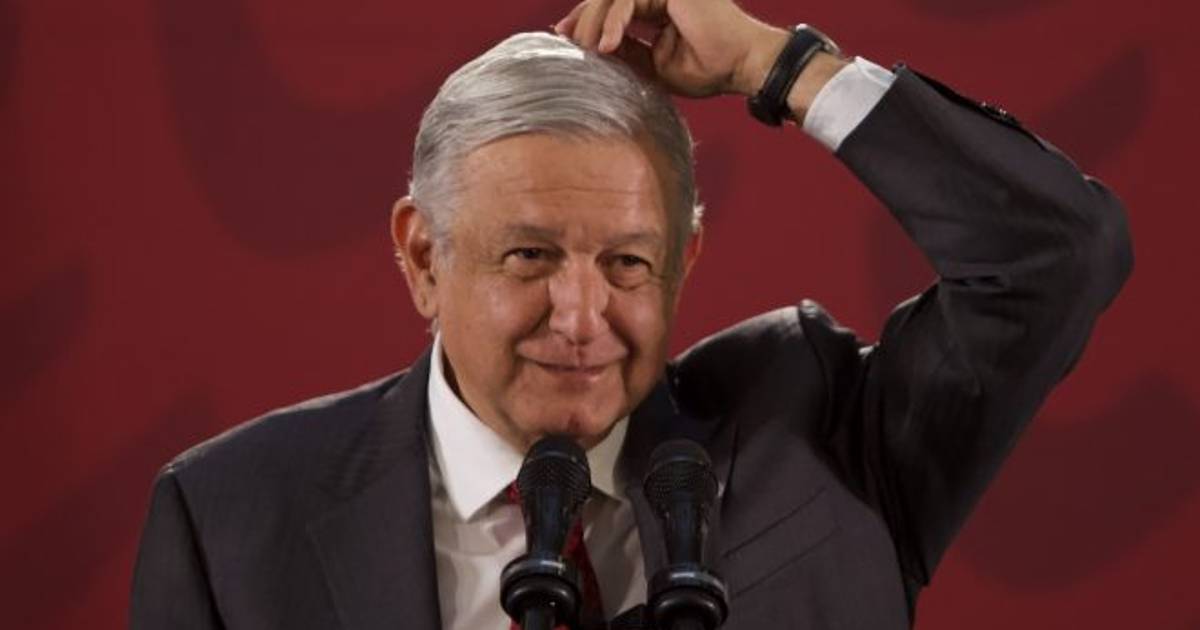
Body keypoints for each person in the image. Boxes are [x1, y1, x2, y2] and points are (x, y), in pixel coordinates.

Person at [129, 0, 1133, 628]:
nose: (581, 317)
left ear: (684, 261)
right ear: (425, 257)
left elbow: (1053, 256)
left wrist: (779, 66)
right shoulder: (233, 520)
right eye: (529, 256)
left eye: (627, 263)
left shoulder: (821, 435)